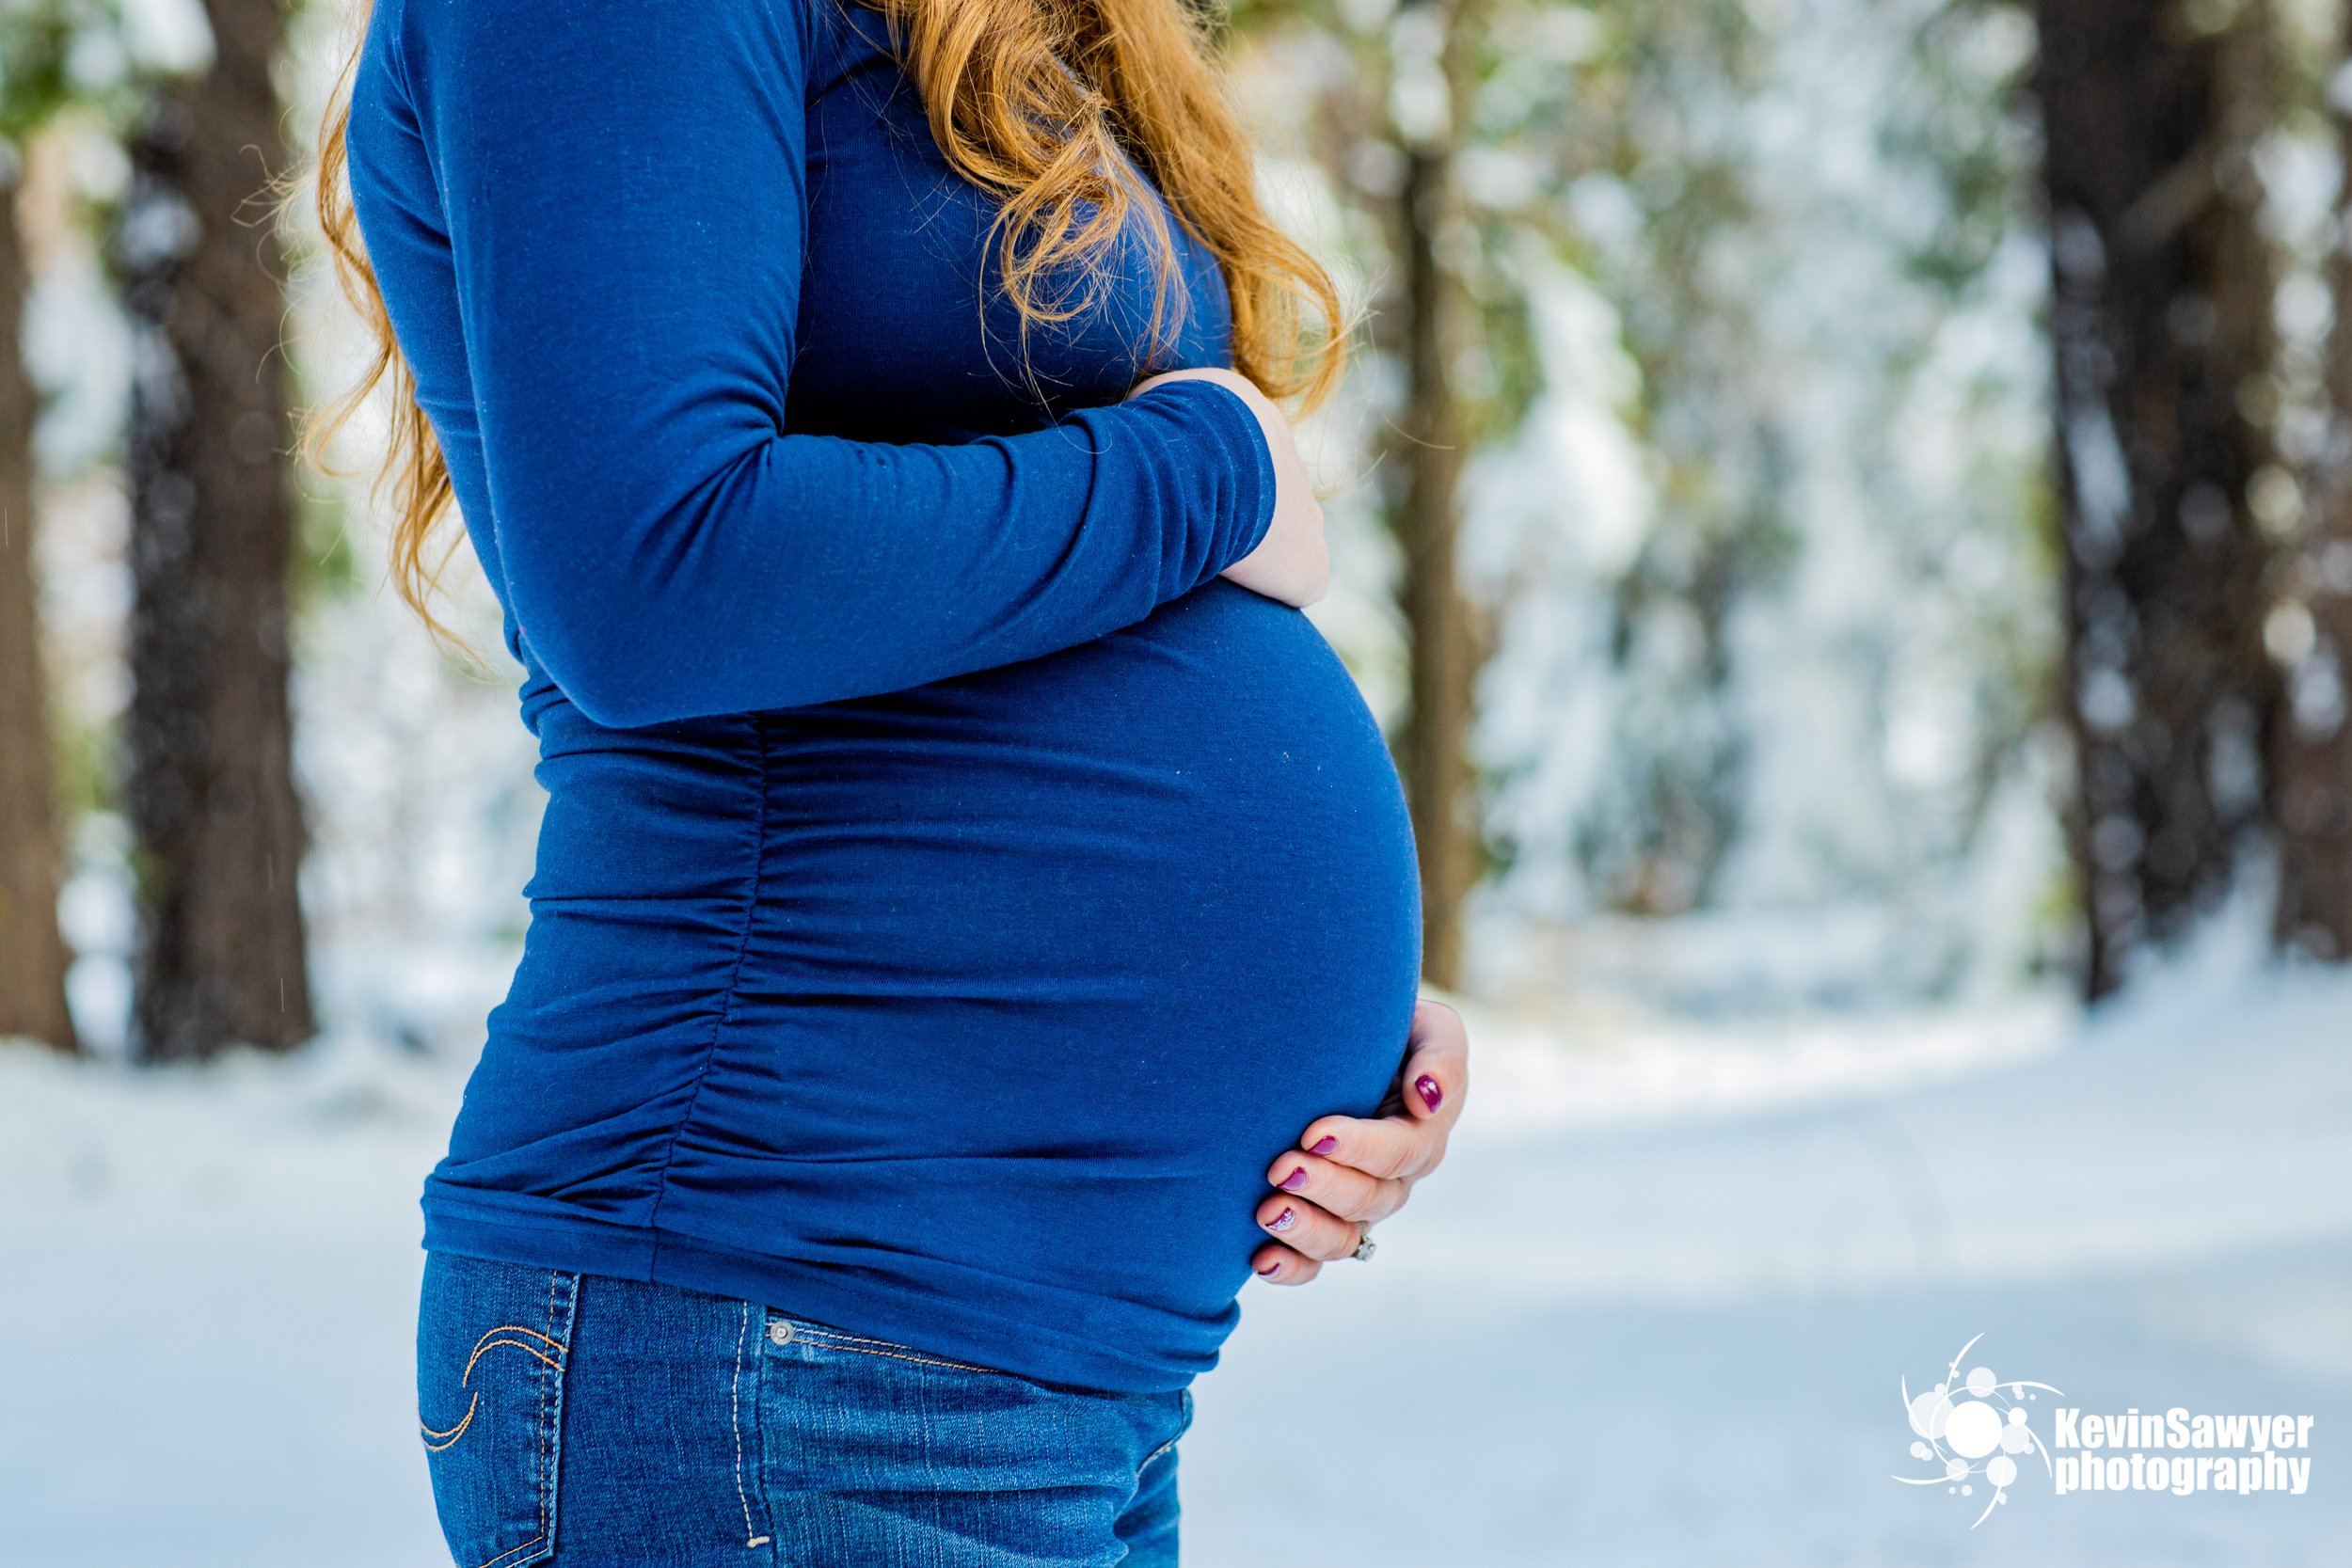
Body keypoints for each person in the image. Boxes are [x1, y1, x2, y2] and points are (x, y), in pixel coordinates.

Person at [314, 0, 1469, 1560]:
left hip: (1032, 1370)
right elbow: (658, 578)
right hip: (777, 1334)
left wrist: (1327, 1022)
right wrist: (1213, 474)